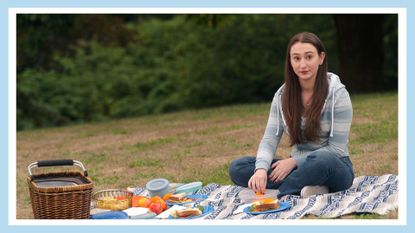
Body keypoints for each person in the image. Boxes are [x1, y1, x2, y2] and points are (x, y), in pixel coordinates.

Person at [228, 32, 354, 198]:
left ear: (321, 58)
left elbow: (336, 150)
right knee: (238, 167)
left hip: (334, 166)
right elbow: (269, 139)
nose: (303, 64)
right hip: (296, 168)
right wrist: (260, 170)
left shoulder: (338, 94)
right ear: (290, 61)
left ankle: (276, 193)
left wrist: (293, 162)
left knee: (322, 160)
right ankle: (309, 187)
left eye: (309, 57)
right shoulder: (282, 95)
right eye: (296, 58)